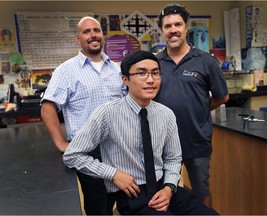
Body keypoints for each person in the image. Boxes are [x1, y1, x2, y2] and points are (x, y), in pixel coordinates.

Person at [63, 50, 217, 215]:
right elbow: (72, 155)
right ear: (125, 79)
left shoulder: (166, 114)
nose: (150, 80)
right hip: (132, 194)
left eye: (155, 73)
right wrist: (113, 174)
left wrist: (169, 187)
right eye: (142, 73)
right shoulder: (107, 114)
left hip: (164, 188)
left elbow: (173, 158)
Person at [41, 16, 127, 215]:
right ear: (77, 38)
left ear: (102, 35)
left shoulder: (117, 69)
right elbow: (48, 108)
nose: (93, 35)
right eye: (87, 31)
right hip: (88, 151)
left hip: (118, 147)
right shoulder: (66, 71)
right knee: (97, 205)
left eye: (96, 30)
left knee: (119, 199)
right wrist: (61, 144)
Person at [155, 4, 229, 208]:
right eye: (167, 26)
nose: (173, 30)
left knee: (201, 190)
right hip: (163, 142)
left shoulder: (206, 62)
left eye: (178, 24)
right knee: (163, 191)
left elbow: (222, 97)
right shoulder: (154, 63)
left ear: (186, 27)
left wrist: (199, 109)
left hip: (196, 140)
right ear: (162, 31)